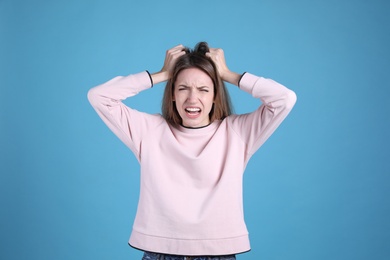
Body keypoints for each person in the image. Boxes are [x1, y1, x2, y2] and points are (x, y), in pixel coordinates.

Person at [88, 42, 297, 260]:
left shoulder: (237, 132)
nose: (192, 98)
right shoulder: (150, 131)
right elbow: (99, 96)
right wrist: (160, 75)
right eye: (183, 88)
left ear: (216, 96)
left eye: (203, 89)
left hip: (218, 253)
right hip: (161, 252)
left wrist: (227, 74)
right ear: (172, 95)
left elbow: (284, 99)